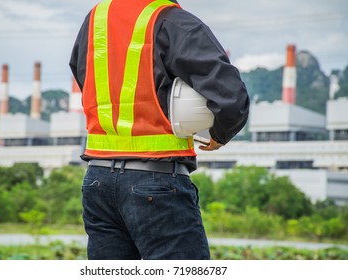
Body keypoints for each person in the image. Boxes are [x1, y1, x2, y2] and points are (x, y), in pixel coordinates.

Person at [69, 0, 249, 260]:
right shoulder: (174, 21)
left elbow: (82, 74)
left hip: (97, 180)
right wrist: (220, 133)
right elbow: (230, 97)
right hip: (156, 182)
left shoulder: (95, 19)